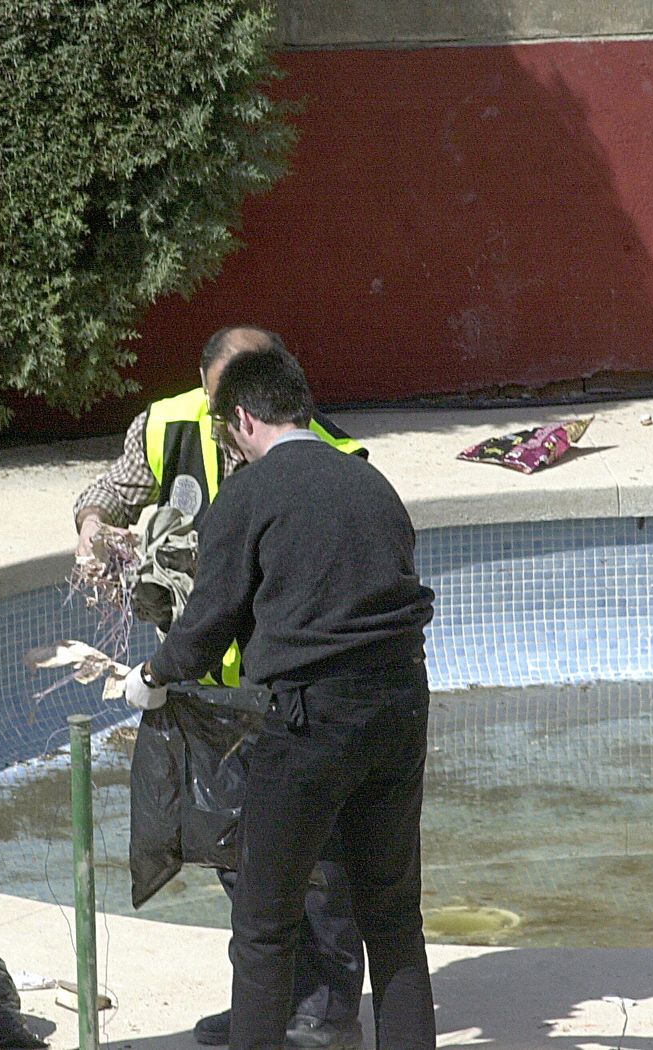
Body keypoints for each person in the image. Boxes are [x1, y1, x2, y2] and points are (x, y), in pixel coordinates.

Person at [123, 345, 437, 1050]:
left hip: (308, 723)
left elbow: (209, 622)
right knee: (392, 920)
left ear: (242, 418)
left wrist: (150, 676)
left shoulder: (252, 492)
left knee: (265, 926)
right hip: (399, 710)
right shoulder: (370, 482)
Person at [74, 326, 368, 1049]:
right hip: (207, 691)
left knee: (321, 861)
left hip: (290, 693)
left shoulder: (323, 449)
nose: (238, 424)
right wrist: (92, 530)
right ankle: (266, 1001)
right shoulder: (166, 424)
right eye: (223, 404)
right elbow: (107, 494)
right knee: (241, 856)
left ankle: (329, 1007)